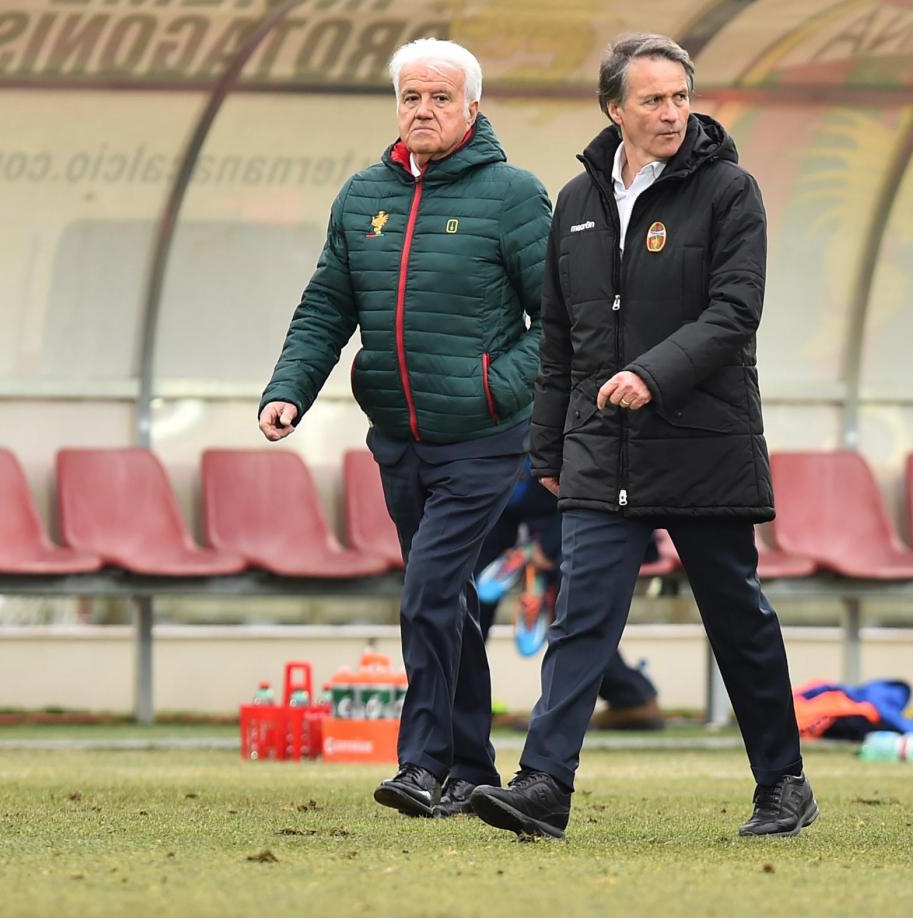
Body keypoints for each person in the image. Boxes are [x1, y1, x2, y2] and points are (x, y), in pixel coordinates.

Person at [470, 34, 817, 839]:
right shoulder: (575, 203)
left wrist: (652, 376)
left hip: (705, 444)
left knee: (737, 619)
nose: (671, 113)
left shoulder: (731, 192)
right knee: (580, 620)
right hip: (601, 446)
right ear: (614, 109)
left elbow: (735, 312)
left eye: (680, 97)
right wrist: (547, 450)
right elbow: (561, 339)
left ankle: (783, 785)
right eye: (653, 99)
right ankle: (544, 786)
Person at [258, 38, 551, 820]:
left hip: (484, 440)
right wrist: (289, 391)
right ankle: (472, 770)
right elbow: (326, 308)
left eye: (440, 98)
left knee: (426, 594)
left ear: (472, 108)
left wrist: (493, 388)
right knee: (447, 600)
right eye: (411, 97)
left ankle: (421, 764)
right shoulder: (362, 198)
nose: (423, 110)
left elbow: (561, 323)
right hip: (398, 441)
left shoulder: (514, 195)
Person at [474, 462, 664, 732]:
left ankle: (625, 699)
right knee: (469, 590)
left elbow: (587, 469)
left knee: (573, 607)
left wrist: (549, 545)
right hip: (513, 501)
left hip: (585, 508)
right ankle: (461, 699)